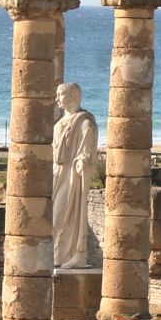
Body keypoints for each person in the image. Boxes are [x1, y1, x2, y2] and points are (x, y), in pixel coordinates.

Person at [51, 82, 99, 268]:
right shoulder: (60, 124)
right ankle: (57, 257)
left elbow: (87, 152)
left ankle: (75, 255)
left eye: (60, 95)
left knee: (63, 216)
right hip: (58, 174)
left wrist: (82, 162)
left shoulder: (85, 123)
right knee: (54, 219)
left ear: (72, 97)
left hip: (72, 176)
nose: (57, 100)